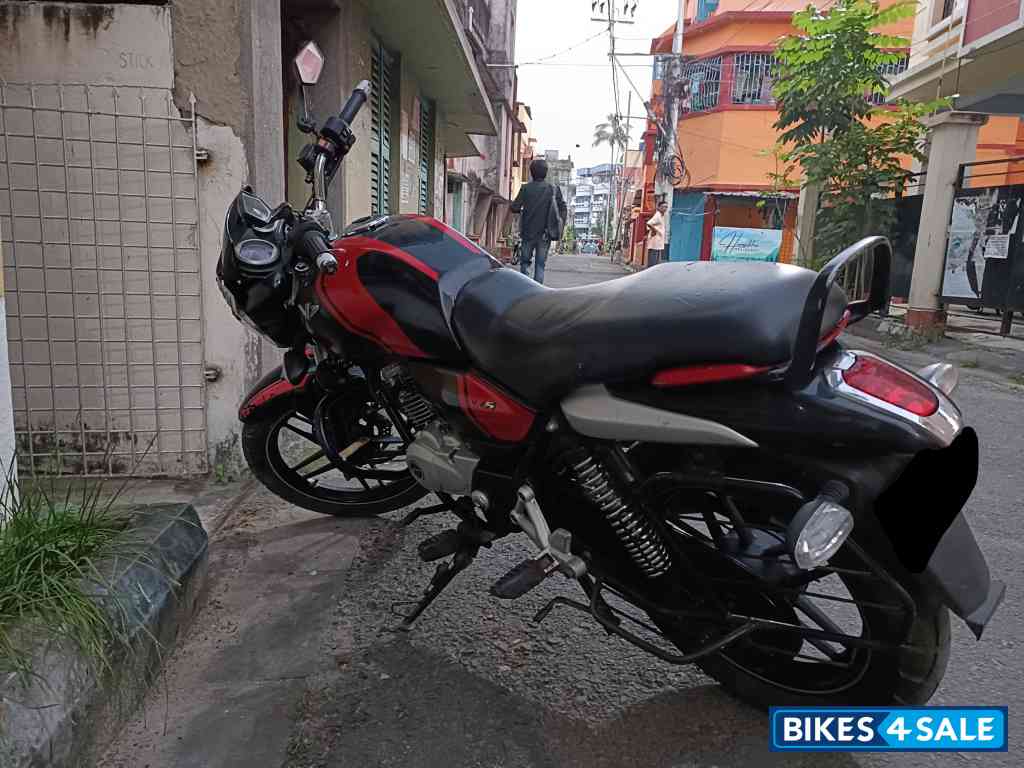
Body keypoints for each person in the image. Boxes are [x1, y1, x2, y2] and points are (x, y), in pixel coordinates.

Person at [510, 158, 567, 284]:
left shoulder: (525, 189)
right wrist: (559, 224)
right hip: (545, 234)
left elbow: (514, 207)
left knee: (525, 263)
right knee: (540, 265)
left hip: (528, 233)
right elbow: (563, 208)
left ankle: (525, 288)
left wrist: (524, 210)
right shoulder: (553, 189)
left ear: (531, 172)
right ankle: (537, 292)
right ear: (545, 173)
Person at [646, 200, 669, 266]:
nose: (665, 208)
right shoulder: (657, 215)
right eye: (663, 207)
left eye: (666, 207)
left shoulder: (661, 216)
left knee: (655, 258)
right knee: (653, 258)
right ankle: (651, 271)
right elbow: (649, 223)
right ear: (658, 207)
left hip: (658, 241)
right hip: (655, 241)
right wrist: (654, 231)